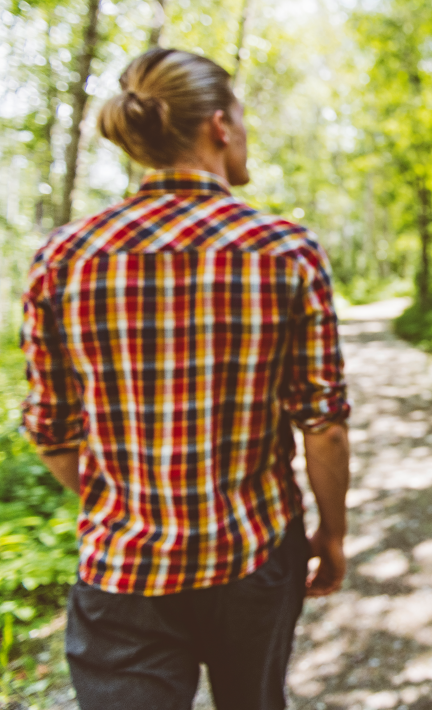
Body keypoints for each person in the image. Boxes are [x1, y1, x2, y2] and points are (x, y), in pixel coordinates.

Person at [20, 48, 351, 710]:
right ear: (220, 126)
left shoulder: (64, 257)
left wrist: (130, 503)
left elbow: (54, 435)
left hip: (123, 572)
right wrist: (332, 534)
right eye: (244, 117)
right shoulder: (285, 250)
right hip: (254, 557)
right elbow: (324, 429)